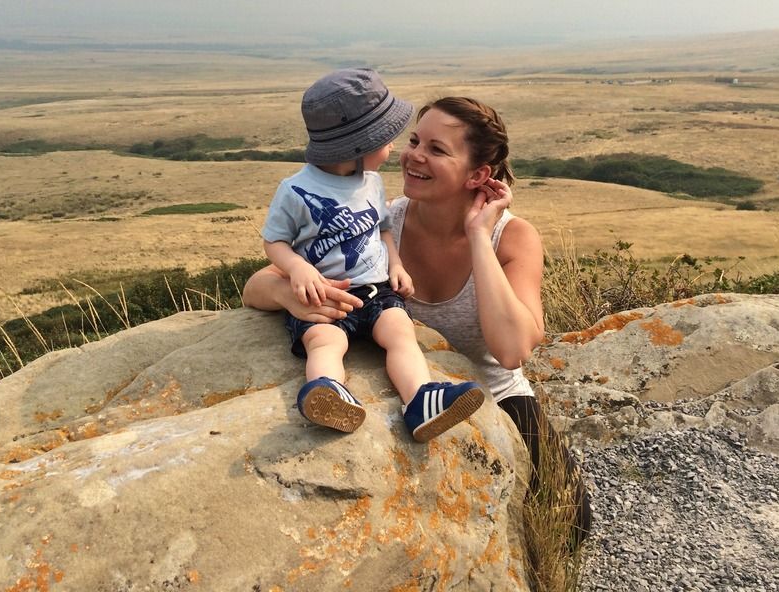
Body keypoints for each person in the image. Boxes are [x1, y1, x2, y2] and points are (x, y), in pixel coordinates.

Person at [244, 94, 591, 542]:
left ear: (479, 175)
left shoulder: (513, 237)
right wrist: (295, 295)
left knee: (570, 522)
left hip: (495, 394)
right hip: (407, 382)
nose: (413, 156)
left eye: (436, 149)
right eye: (413, 141)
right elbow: (257, 286)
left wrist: (478, 238)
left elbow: (512, 351)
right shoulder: (383, 219)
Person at [260, 69, 485, 443]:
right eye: (387, 141)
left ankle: (420, 400)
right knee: (325, 342)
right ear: (357, 147)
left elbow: (381, 230)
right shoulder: (296, 190)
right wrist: (297, 268)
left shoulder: (373, 183)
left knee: (401, 334)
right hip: (325, 298)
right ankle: (327, 391)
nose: (395, 149)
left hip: (378, 291)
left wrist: (395, 265)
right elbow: (275, 242)